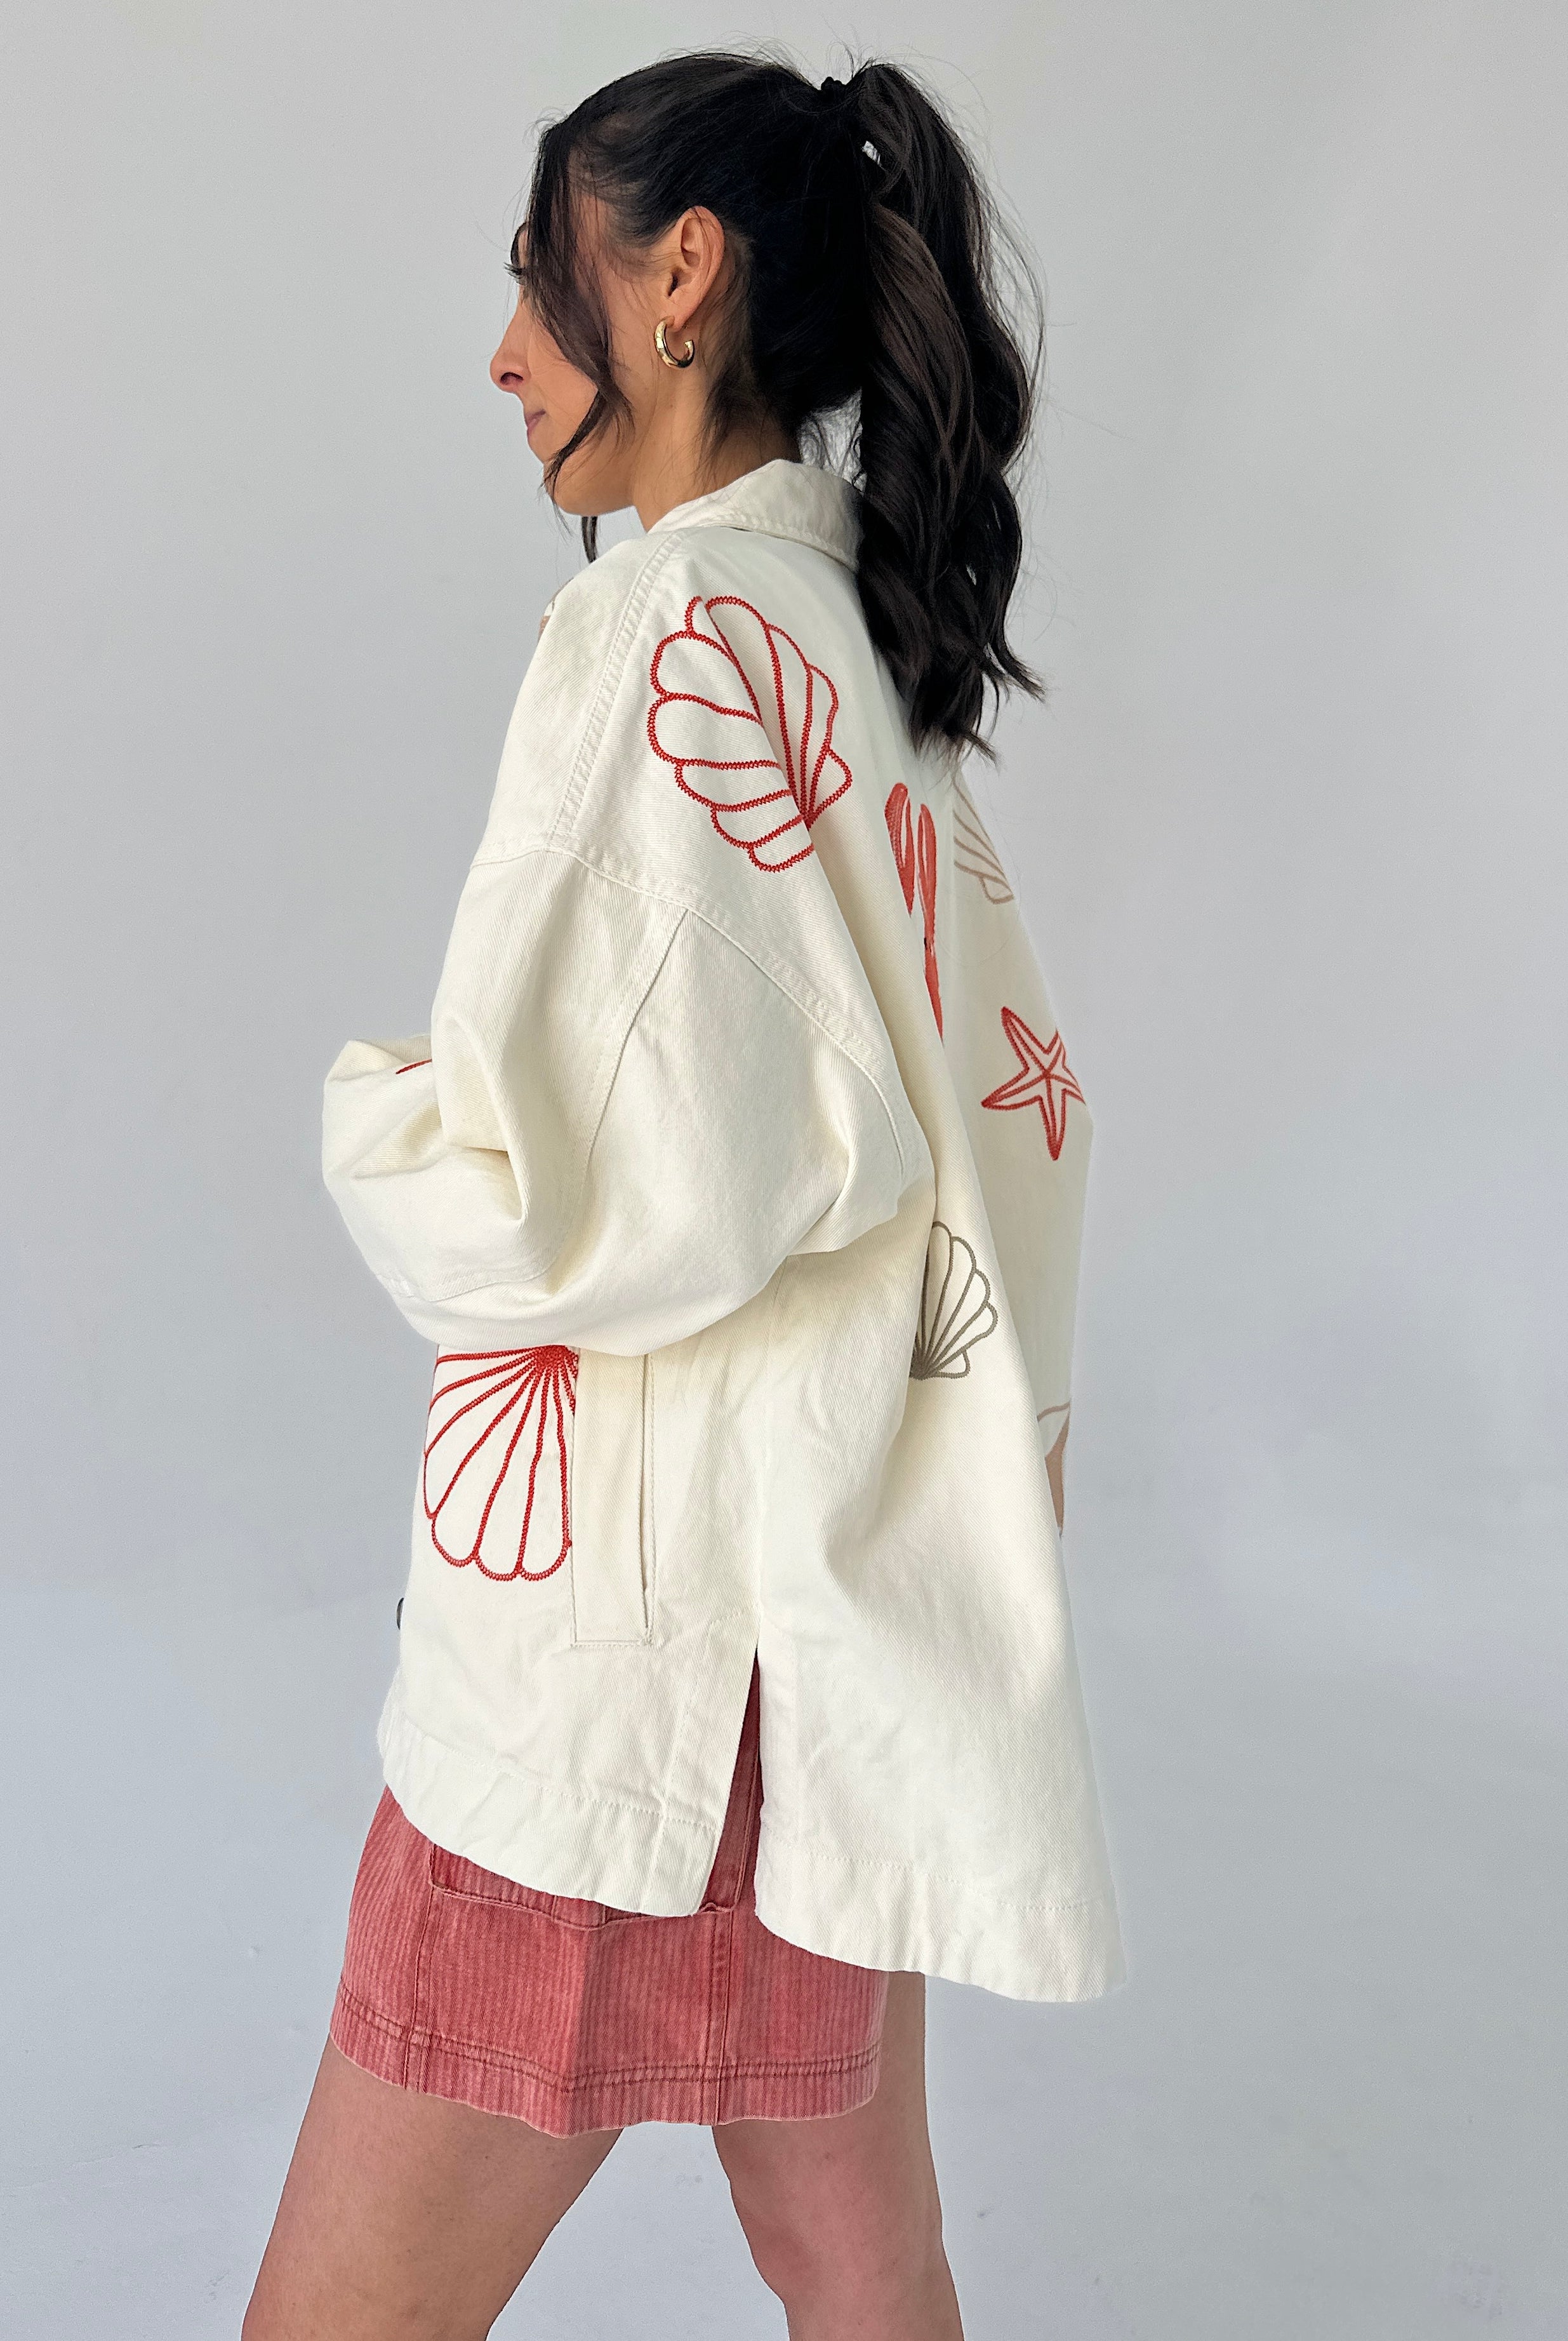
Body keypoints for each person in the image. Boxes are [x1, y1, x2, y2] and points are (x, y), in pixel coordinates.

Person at [244, 50, 1124, 2341]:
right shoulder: (863, 652)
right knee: (868, 2276)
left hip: (635, 1683)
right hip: (820, 1650)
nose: (507, 352)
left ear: (678, 284)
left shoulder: (664, 647)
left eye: (541, 285)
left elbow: (601, 1198)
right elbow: (1007, 1126)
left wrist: (385, 1120)